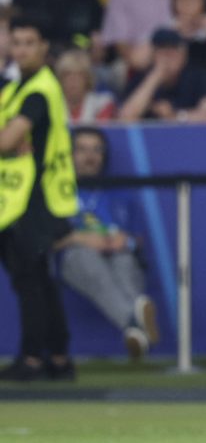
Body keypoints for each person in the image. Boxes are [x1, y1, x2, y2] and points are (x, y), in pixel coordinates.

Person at [0, 18, 79, 381]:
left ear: (44, 47)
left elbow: (6, 140)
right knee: (37, 279)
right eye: (16, 42)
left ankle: (33, 357)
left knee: (31, 280)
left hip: (32, 198)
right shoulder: (18, 88)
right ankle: (59, 357)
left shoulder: (38, 90)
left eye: (29, 42)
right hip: (17, 195)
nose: (22, 50)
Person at [56, 127, 158, 360]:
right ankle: (135, 318)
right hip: (75, 260)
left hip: (118, 256)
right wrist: (82, 238)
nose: (89, 156)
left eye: (96, 150)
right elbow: (46, 240)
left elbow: (137, 241)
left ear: (104, 156)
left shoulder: (120, 194)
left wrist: (123, 241)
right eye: (81, 150)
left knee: (124, 259)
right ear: (69, 155)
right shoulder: (58, 192)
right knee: (87, 259)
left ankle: (134, 331)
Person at [118, 28, 206, 123]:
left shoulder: (196, 77)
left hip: (187, 137)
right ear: (153, 55)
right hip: (149, 138)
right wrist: (156, 76)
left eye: (173, 51)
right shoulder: (142, 79)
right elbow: (125, 117)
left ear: (183, 55)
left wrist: (175, 116)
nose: (168, 58)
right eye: (163, 52)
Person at [55, 49, 115, 123]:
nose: (73, 80)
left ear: (87, 79)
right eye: (68, 74)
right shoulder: (51, 106)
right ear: (60, 79)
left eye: (79, 75)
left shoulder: (102, 104)